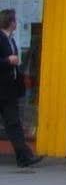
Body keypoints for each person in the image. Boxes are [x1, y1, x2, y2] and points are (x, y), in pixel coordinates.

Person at [0, 9, 38, 168]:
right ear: (11, 22)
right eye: (15, 20)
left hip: (8, 90)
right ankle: (24, 155)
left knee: (14, 123)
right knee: (13, 122)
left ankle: (23, 157)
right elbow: (7, 61)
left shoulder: (11, 40)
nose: (17, 23)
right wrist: (8, 60)